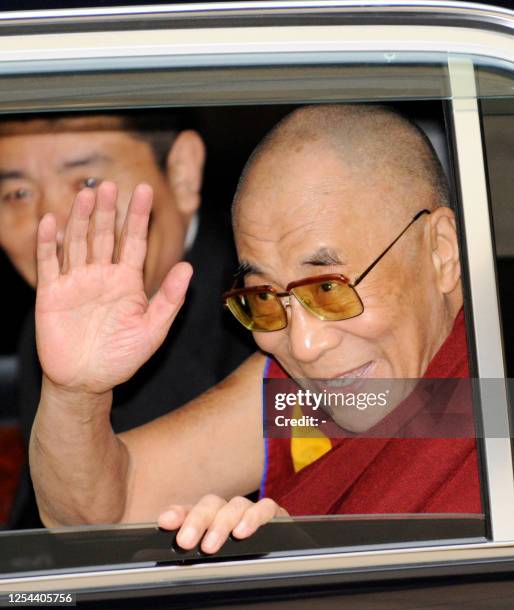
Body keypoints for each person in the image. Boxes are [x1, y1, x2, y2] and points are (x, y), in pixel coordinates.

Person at [30, 104, 481, 555]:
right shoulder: (300, 404)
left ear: (441, 252)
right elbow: (103, 512)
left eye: (328, 288)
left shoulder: (491, 390)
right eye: (264, 297)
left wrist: (316, 579)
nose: (305, 346)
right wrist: (76, 394)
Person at [0, 112, 253, 528]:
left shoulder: (270, 319)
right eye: (18, 193)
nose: (52, 226)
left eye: (88, 184)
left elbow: (99, 518)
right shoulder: (50, 319)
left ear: (183, 172)